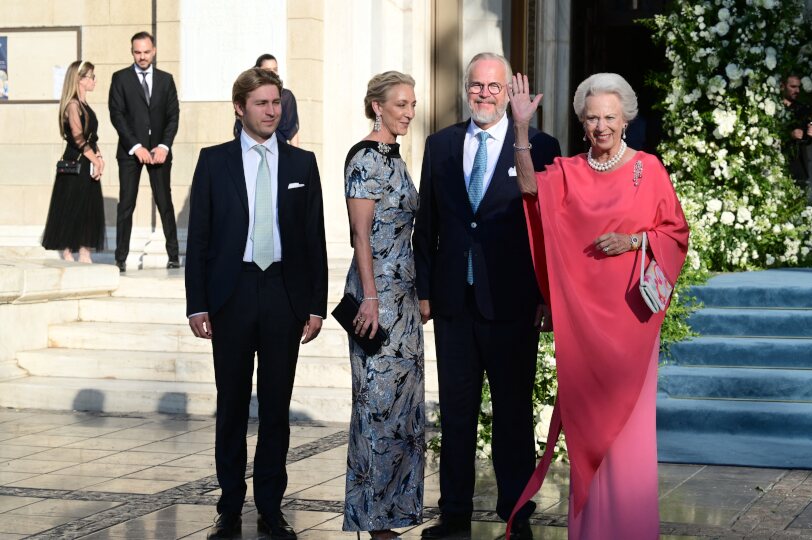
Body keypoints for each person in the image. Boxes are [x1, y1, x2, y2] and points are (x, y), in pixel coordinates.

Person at [505, 72, 689, 539]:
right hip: (583, 326)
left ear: (626, 118)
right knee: (587, 430)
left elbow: (675, 234)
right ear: (582, 123)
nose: (601, 126)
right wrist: (521, 129)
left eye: (609, 117)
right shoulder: (569, 171)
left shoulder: (649, 169)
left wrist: (633, 240)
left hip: (632, 326)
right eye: (591, 118)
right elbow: (529, 191)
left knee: (627, 438)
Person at [412, 52, 561, 540]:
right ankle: (453, 513)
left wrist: (545, 295)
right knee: (456, 413)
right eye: (476, 86)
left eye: (494, 87)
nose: (483, 94)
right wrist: (426, 287)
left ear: (509, 92)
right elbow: (427, 223)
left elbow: (546, 228)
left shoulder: (540, 146)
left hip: (512, 302)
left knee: (513, 413)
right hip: (454, 301)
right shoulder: (440, 144)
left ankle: (516, 511)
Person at [185, 67, 328, 540]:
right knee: (230, 405)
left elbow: (314, 239)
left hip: (284, 293)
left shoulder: (302, 164)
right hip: (232, 293)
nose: (272, 111)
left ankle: (270, 504)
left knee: (275, 407)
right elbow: (200, 237)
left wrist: (315, 305)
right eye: (263, 103)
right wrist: (196, 303)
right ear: (240, 107)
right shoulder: (213, 161)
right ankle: (229, 503)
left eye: (276, 102)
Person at [342, 71, 424, 540]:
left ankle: (392, 517)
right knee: (375, 409)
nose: (409, 112)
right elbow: (360, 236)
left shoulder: (395, 156)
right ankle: (372, 521)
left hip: (406, 300)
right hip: (376, 303)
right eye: (400, 104)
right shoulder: (365, 158)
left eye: (412, 104)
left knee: (404, 415)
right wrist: (371, 299)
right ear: (377, 106)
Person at [108, 31, 180, 272]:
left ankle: (173, 256)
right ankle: (120, 259)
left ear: (154, 51)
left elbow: (173, 116)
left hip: (160, 152)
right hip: (130, 152)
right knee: (126, 204)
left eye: (146, 52)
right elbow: (116, 114)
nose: (142, 56)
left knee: (165, 202)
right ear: (132, 52)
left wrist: (164, 146)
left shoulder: (166, 80)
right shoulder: (120, 78)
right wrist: (136, 146)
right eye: (137, 52)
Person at [41, 60, 106, 263]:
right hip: (75, 163)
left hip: (88, 161)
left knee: (89, 206)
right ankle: (68, 252)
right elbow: (78, 138)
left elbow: (91, 137)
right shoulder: (72, 105)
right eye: (91, 76)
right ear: (80, 79)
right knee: (72, 205)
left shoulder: (85, 105)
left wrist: (99, 157)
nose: (94, 80)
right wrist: (95, 159)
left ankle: (85, 252)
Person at [233, 53, 301, 146]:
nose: (272, 73)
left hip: (279, 151)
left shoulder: (286, 96)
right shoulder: (247, 94)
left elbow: (292, 130)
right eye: (268, 70)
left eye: (275, 69)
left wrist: (295, 157)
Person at [781, 74, 812, 188]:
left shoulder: (802, 108)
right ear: (783, 86)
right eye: (793, 87)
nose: (797, 90)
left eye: (798, 87)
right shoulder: (775, 108)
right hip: (780, 159)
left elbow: (806, 140)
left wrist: (810, 134)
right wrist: (789, 134)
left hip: (798, 163)